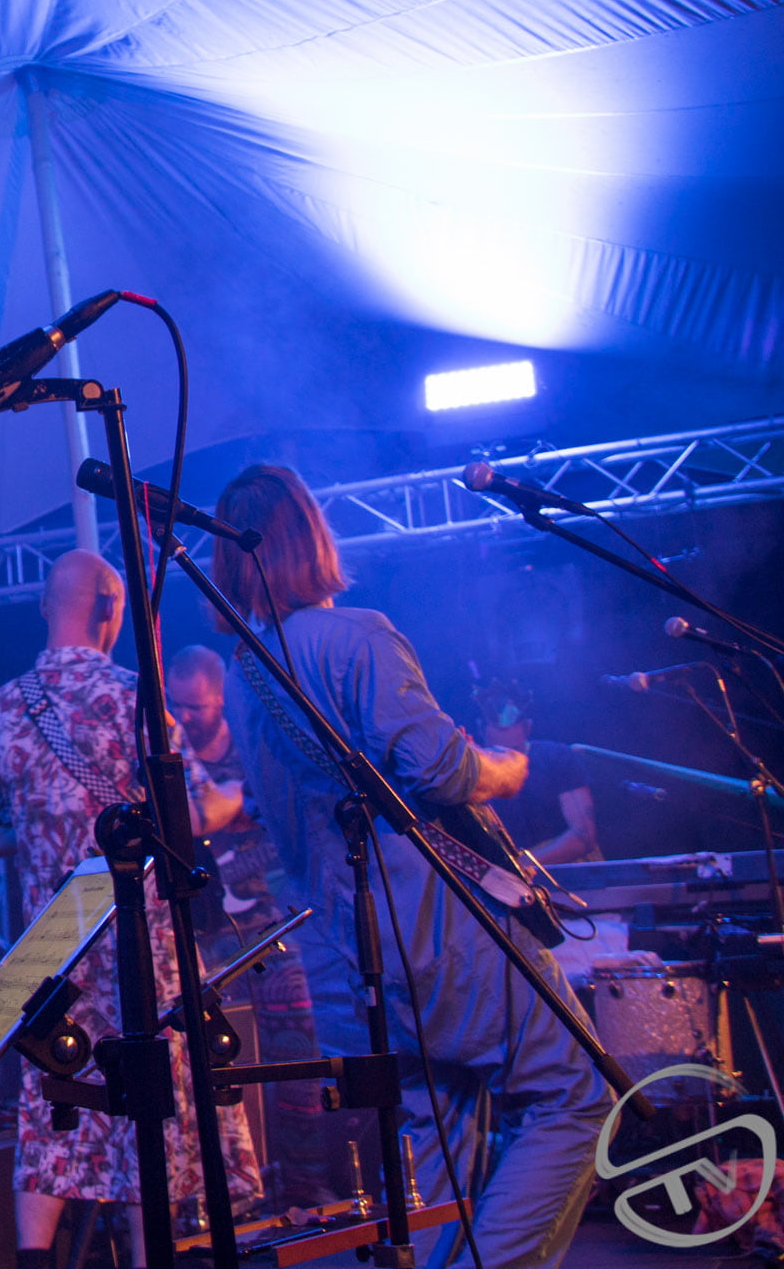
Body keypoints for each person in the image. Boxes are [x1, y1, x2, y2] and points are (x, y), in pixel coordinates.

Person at [212, 466, 611, 1269]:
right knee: (578, 1094)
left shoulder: (241, 674)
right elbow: (440, 772)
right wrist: (507, 766)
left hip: (343, 957)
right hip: (437, 935)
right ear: (311, 539)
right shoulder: (357, 636)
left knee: (438, 1130)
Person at [0, 551, 258, 1269]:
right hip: (139, 939)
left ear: (45, 607)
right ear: (111, 610)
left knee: (51, 1096)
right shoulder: (135, 699)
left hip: (52, 946)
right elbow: (195, 813)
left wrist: (47, 825)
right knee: (146, 1102)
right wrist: (243, 795)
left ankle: (34, 1259)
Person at [166, 645, 333, 1211]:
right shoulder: (171, 758)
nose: (184, 716)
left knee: (298, 1045)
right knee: (204, 1058)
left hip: (265, 925)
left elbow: (289, 828)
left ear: (220, 699)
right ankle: (220, 1191)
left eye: (196, 707)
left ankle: (306, 1184)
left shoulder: (253, 751)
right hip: (199, 934)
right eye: (177, 705)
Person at [471, 674, 601, 866]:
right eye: (497, 751)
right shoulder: (475, 774)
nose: (507, 760)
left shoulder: (556, 757)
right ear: (481, 730)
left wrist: (522, 866)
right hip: (510, 880)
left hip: (570, 873)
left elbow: (584, 835)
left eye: (514, 750)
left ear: (528, 727)